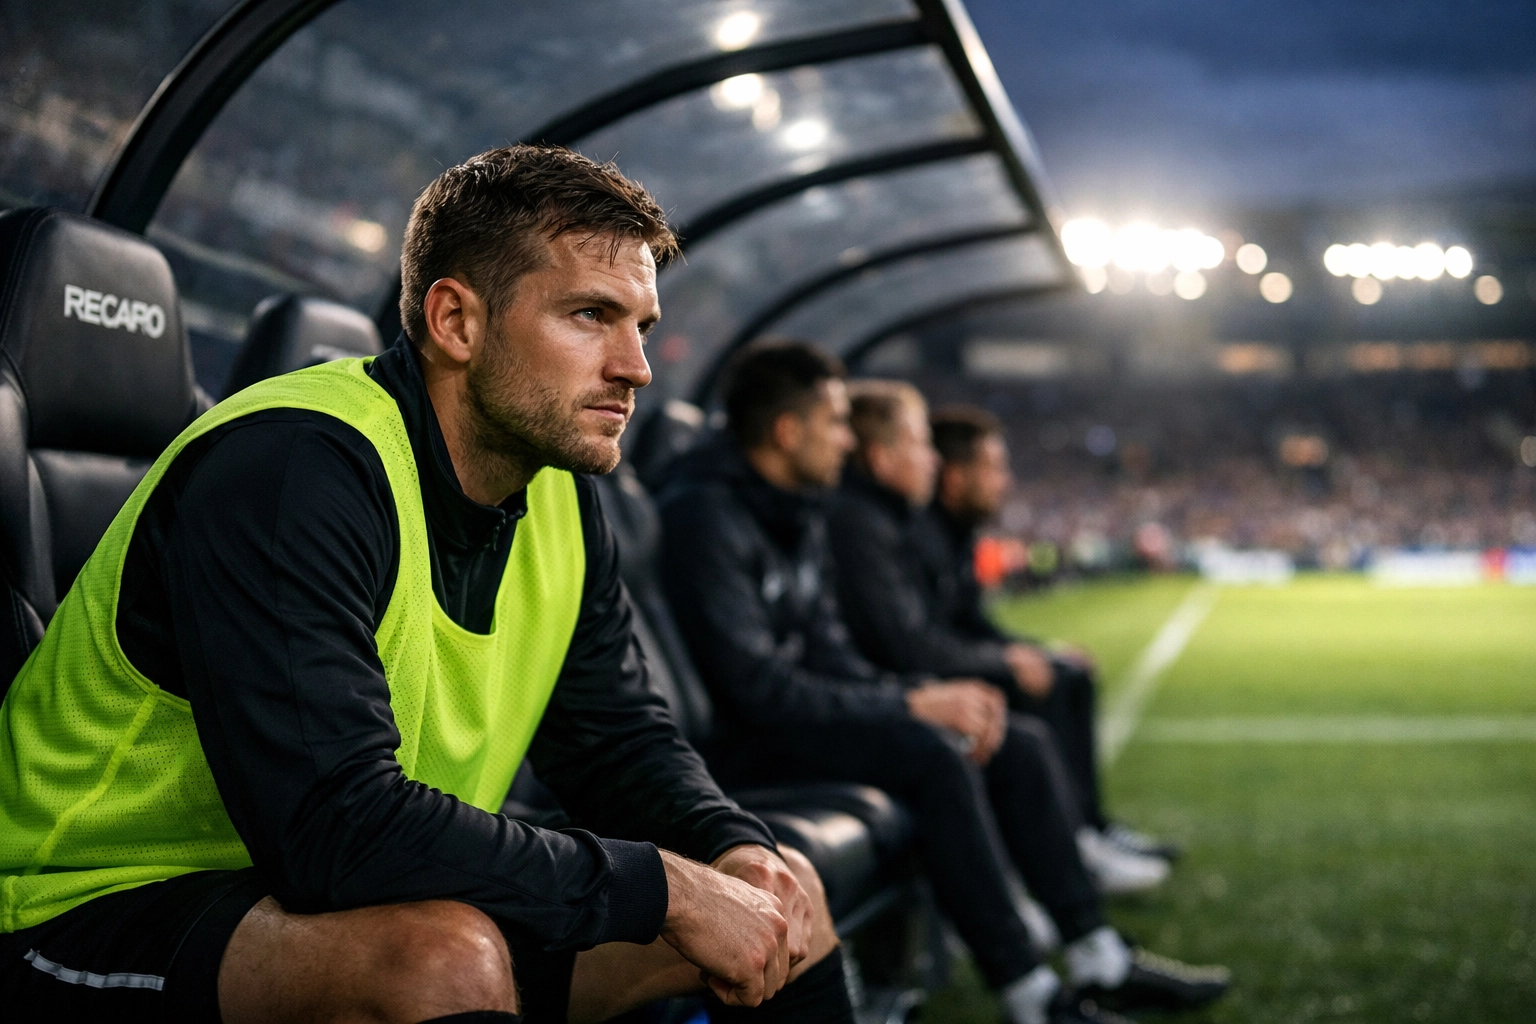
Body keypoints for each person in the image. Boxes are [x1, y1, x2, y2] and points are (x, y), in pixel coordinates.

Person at [0, 147, 854, 1024]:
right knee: (442, 962)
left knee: (793, 894)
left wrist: (731, 849)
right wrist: (664, 886)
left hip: (355, 901)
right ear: (455, 321)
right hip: (83, 907)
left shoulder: (557, 489)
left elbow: (615, 740)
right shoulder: (296, 468)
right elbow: (335, 829)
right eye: (592, 315)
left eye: (640, 323)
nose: (636, 365)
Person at [655, 342, 1229, 1024]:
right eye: (837, 423)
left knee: (1012, 743)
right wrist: (908, 703)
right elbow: (753, 688)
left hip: (787, 722)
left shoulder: (790, 510)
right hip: (738, 745)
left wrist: (914, 698)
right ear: (787, 431)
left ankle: (1096, 953)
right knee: (933, 752)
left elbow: (831, 654)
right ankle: (1030, 994)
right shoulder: (706, 515)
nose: (848, 443)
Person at [828, 386, 1177, 888]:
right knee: (1028, 718)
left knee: (1059, 675)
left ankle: (1082, 836)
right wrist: (996, 664)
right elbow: (905, 640)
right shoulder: (875, 526)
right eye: (994, 467)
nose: (1005, 481)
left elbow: (961, 622)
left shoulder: (913, 525)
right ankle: (1061, 857)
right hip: (904, 683)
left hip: (909, 677)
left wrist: (1024, 651)